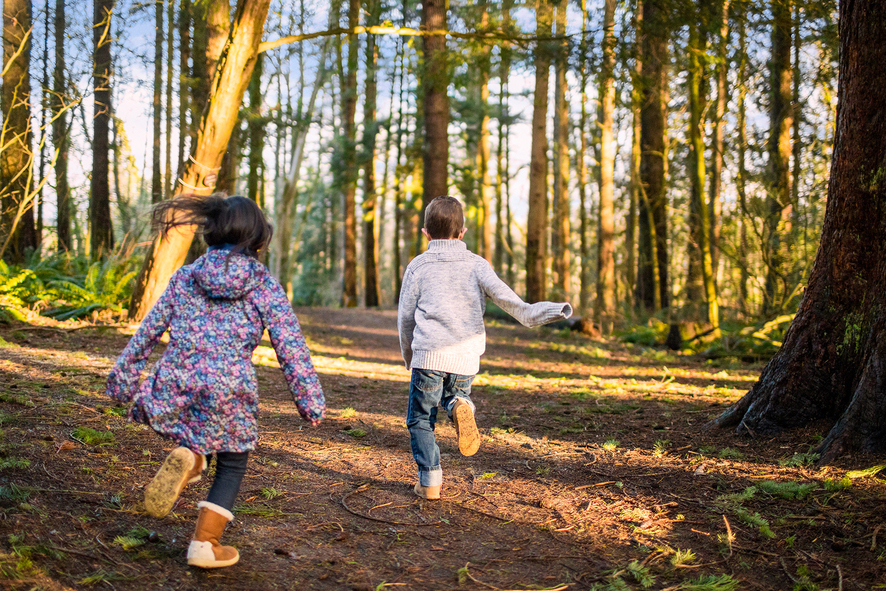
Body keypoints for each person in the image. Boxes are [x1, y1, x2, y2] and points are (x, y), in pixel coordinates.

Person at [106, 194, 325, 568]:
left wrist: (123, 380)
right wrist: (309, 401)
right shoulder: (263, 283)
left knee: (197, 435)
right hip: (230, 384)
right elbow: (291, 345)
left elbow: (148, 331)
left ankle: (191, 459)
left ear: (211, 233)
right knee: (233, 462)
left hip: (178, 375)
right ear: (257, 239)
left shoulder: (186, 276)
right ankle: (205, 543)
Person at [398, 196, 572, 500]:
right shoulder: (477, 265)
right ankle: (458, 404)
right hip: (465, 358)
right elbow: (515, 305)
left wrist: (409, 356)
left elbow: (405, 317)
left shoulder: (418, 266)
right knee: (454, 395)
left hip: (429, 354)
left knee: (421, 418)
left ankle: (430, 481)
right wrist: (555, 310)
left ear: (425, 233)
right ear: (462, 232)